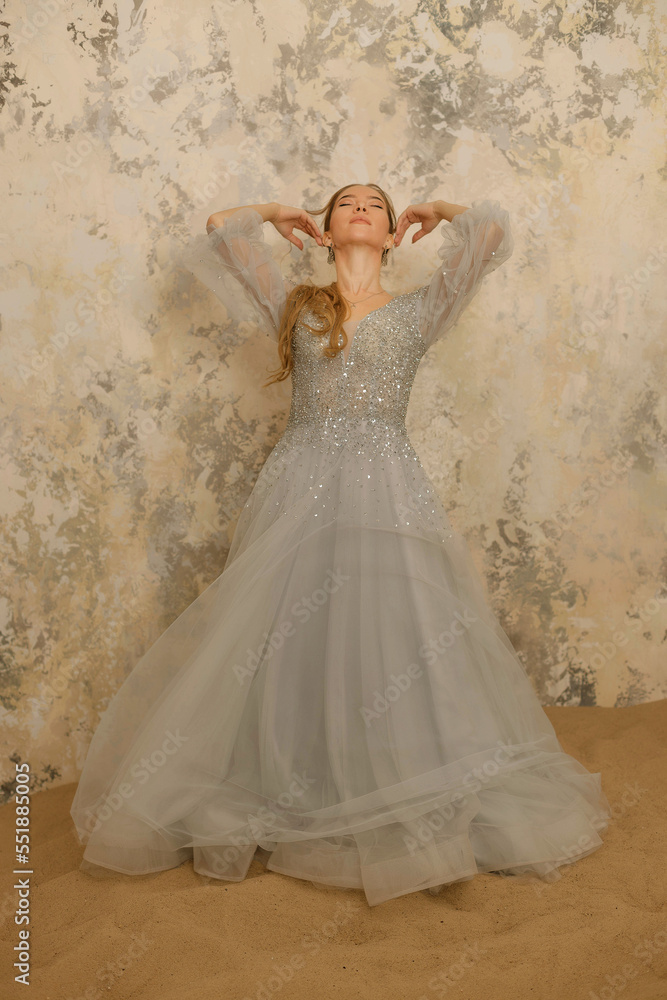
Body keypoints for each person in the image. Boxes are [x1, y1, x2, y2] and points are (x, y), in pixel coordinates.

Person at [70, 183, 611, 907]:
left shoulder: (420, 311)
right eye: (344, 202)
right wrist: (272, 213)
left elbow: (485, 237)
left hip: (388, 486)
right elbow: (221, 231)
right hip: (299, 486)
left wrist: (435, 210)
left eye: (377, 205)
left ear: (392, 235)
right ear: (322, 232)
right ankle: (300, 782)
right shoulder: (297, 306)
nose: (361, 207)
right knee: (289, 635)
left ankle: (393, 785)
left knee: (392, 634)